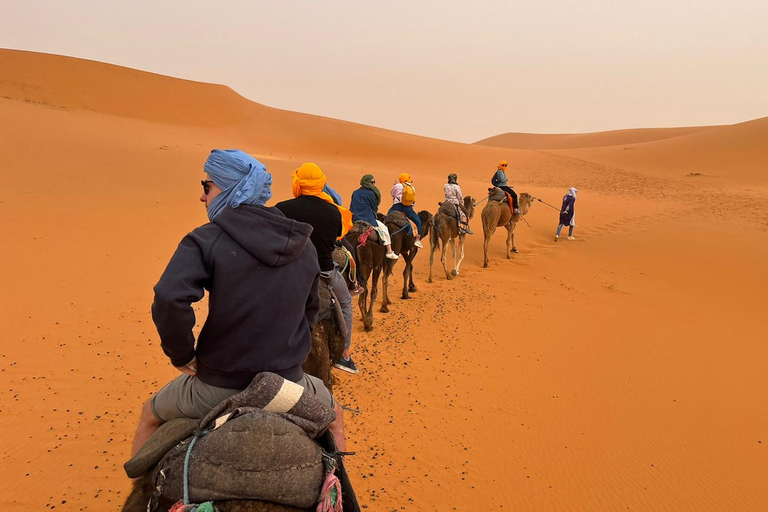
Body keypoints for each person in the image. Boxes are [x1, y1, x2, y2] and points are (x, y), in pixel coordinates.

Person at [131, 149, 345, 457]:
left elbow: (169, 296)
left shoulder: (206, 238)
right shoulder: (303, 243)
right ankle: (338, 495)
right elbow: (310, 311)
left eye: (207, 187)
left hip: (216, 387)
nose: (203, 198)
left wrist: (180, 355)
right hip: (288, 384)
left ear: (228, 188)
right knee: (335, 418)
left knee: (150, 415)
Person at [275, 163, 359, 375]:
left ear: (298, 183)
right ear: (321, 183)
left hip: (289, 272)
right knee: (346, 301)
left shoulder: (281, 208)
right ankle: (344, 354)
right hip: (324, 272)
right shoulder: (334, 212)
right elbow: (338, 236)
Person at [349, 174, 399, 260]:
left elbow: (351, 207)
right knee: (384, 229)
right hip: (368, 218)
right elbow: (374, 207)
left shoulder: (355, 192)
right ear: (368, 183)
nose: (374, 184)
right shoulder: (371, 193)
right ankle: (389, 251)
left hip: (355, 218)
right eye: (372, 182)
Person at [388, 173, 424, 248]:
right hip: (408, 209)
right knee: (418, 222)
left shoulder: (398, 185)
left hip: (396, 207)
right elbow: (413, 200)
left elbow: (392, 193)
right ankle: (417, 240)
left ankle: (384, 238)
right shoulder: (412, 188)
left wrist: (395, 185)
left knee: (386, 218)